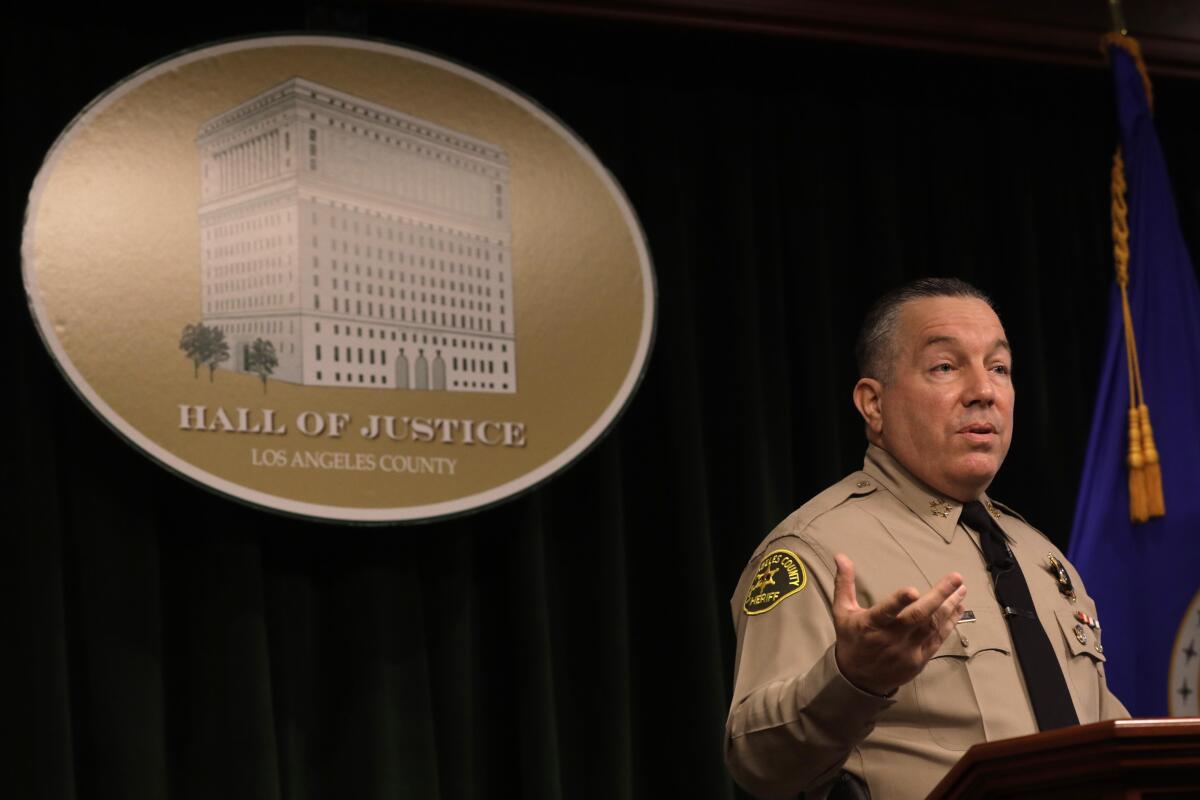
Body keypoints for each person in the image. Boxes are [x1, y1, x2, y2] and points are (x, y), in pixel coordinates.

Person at [724, 278, 1127, 800]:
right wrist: (852, 679)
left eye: (999, 368)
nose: (984, 391)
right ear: (873, 404)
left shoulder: (1044, 559)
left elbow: (1110, 738)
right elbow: (756, 762)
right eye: (945, 367)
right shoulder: (814, 551)